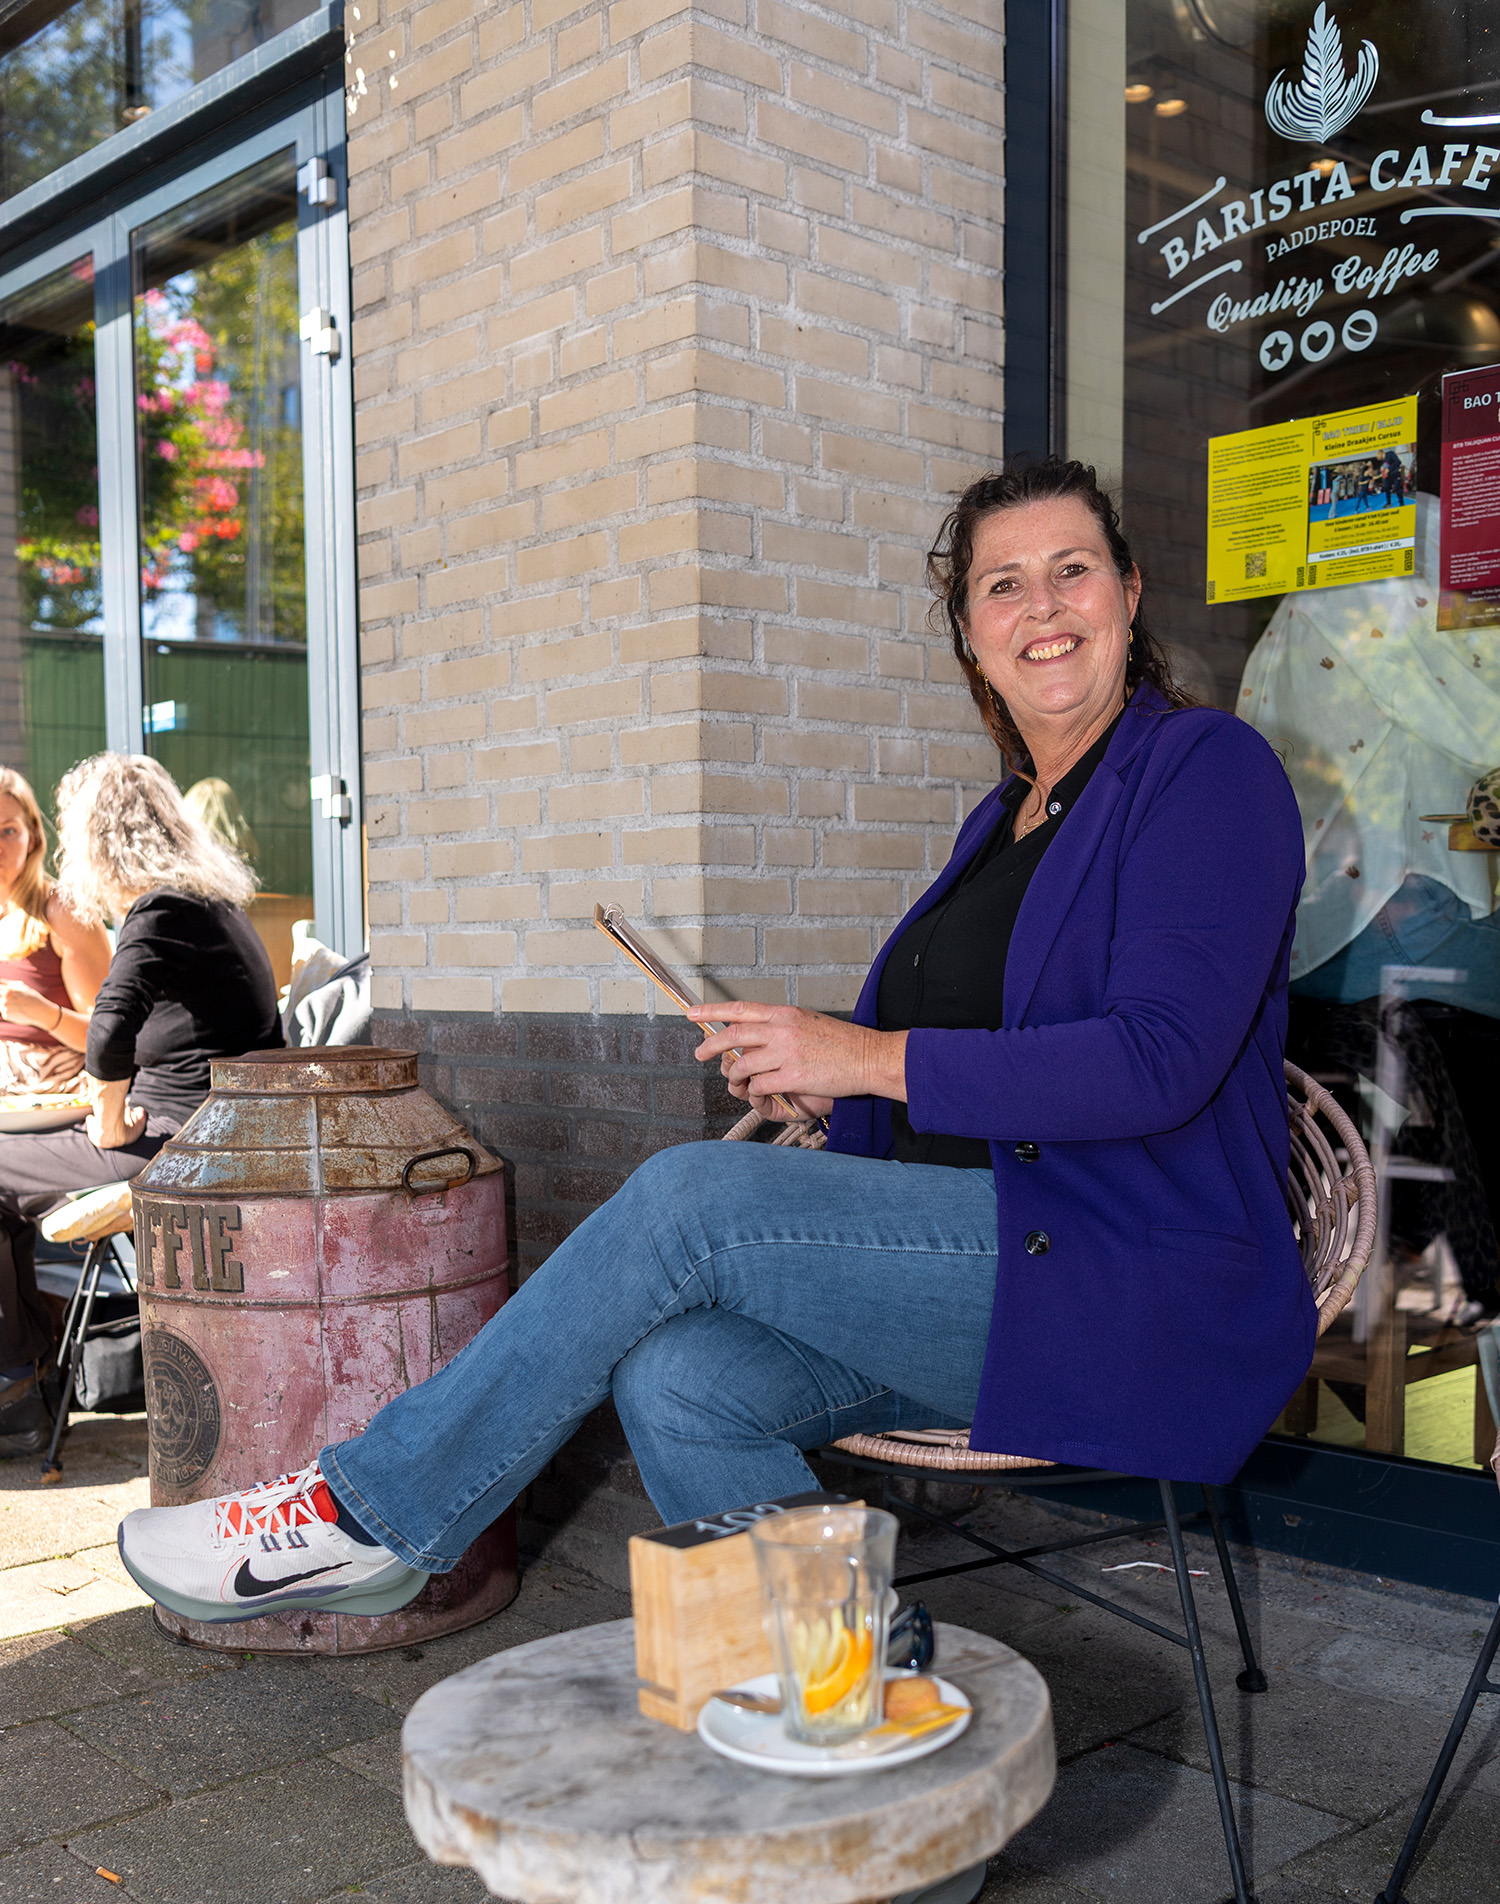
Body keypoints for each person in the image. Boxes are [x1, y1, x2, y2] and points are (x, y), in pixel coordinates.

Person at [118, 458, 1315, 1627]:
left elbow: (1155, 1061)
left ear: (1131, 592)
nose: (1042, 607)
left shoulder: (1206, 771)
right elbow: (977, 1060)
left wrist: (861, 1057)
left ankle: (367, 1511)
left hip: (1124, 1272)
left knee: (692, 1195)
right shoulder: (1002, 817)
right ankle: (842, 1677)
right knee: (682, 1374)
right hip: (977, 1273)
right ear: (969, 631)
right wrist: (835, 1103)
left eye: (1073, 570)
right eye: (1004, 584)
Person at [0, 754, 282, 1451]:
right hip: (214, 1124)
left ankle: (17, 1383)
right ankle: (22, 1371)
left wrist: (106, 1115)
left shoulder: (162, 907)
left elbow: (108, 1027)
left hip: (180, 1137)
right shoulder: (207, 900)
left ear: (98, 838)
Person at [0, 767, 111, 1100]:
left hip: (47, 1097)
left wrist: (43, 1013)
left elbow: (110, 1036)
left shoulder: (63, 911)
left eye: (7, 831)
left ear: (32, 836)